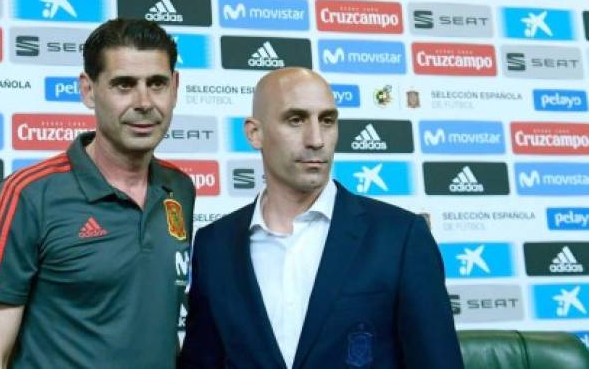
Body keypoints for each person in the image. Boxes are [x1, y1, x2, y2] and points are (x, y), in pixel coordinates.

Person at [182, 67, 463, 369]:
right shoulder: (215, 244)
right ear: (255, 133)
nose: (316, 139)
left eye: (327, 121)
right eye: (296, 120)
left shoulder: (401, 237)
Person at [0, 18, 195, 368]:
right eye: (123, 85)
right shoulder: (29, 193)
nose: (144, 101)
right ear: (88, 90)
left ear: (175, 87)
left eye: (157, 83)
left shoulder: (179, 188)